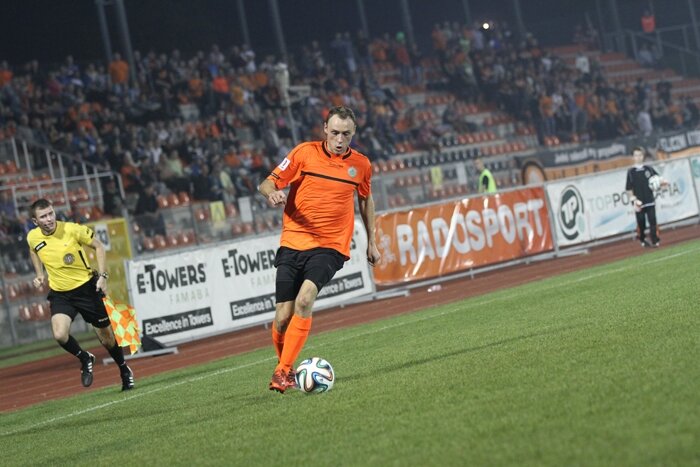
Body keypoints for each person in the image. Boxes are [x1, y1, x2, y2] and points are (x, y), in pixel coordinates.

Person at [258, 105, 381, 393]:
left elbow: (365, 200)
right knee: (282, 317)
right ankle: (286, 368)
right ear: (325, 129)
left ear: (354, 133)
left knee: (305, 300)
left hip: (330, 245)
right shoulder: (304, 153)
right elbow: (267, 182)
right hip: (293, 241)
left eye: (346, 134)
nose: (340, 139)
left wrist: (372, 241)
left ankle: (282, 371)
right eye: (335, 132)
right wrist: (272, 193)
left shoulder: (361, 165)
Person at [27, 198, 134, 390]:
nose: (49, 219)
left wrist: (103, 277)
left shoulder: (72, 229)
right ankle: (85, 358)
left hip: (86, 290)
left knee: (107, 339)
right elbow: (33, 250)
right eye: (43, 216)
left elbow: (99, 246)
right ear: (35, 221)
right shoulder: (33, 237)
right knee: (60, 335)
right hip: (61, 294)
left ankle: (124, 369)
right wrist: (39, 274)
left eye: (51, 213)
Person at [625, 147, 666, 248]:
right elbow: (628, 188)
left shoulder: (649, 169)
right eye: (636, 155)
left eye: (640, 155)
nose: (638, 157)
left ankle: (655, 240)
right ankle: (642, 239)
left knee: (653, 221)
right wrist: (633, 199)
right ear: (633, 157)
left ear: (643, 156)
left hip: (649, 199)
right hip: (639, 202)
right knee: (641, 222)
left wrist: (663, 182)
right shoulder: (631, 172)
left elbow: (658, 179)